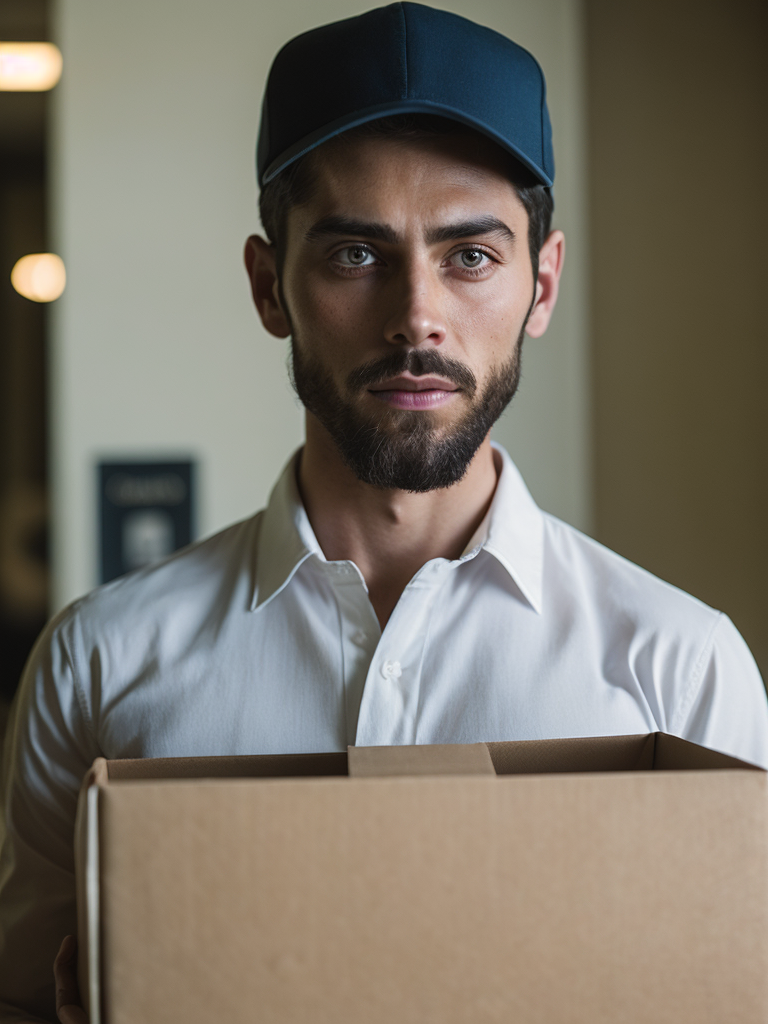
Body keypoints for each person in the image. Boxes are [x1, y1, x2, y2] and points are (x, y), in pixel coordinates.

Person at [2, 3, 767, 1020]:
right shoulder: (100, 660)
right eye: (357, 254)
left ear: (542, 284)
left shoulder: (680, 670)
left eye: (470, 256)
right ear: (269, 285)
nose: (417, 314)